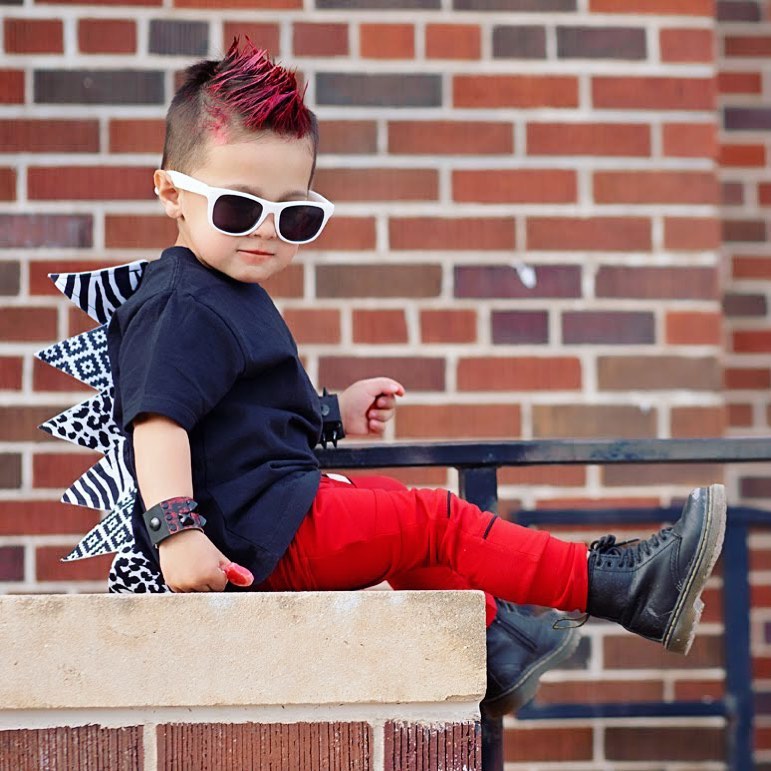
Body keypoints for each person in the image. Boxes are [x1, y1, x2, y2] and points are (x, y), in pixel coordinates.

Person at [105, 38, 726, 716]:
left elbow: (244, 416)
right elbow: (158, 420)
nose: (264, 233)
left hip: (273, 513)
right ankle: (621, 585)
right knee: (431, 518)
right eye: (238, 208)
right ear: (171, 192)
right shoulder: (178, 300)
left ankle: (500, 644)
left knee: (399, 517)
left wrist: (333, 412)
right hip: (253, 535)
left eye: (295, 215)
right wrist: (177, 533)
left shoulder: (226, 289)